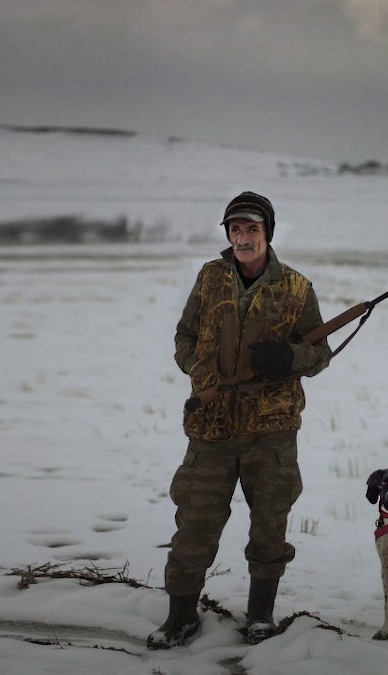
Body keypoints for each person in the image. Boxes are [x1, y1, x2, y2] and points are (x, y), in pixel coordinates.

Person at [148, 191, 333, 649]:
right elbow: (185, 334)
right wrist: (198, 370)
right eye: (235, 230)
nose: (243, 238)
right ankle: (181, 618)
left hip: (271, 431)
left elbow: (320, 354)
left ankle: (261, 615)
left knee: (270, 525)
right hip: (211, 427)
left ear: (268, 232)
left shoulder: (295, 287)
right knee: (194, 522)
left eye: (251, 229)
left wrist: (289, 355)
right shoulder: (210, 277)